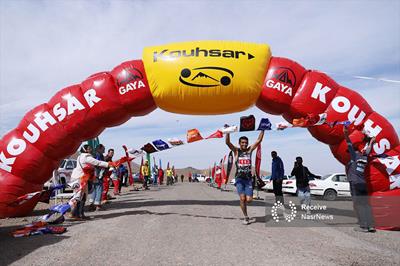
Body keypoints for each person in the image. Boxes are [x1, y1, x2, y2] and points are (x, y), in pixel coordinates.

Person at [226, 131, 264, 225]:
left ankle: (246, 204)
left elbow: (259, 140)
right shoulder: (236, 151)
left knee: (249, 200)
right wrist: (227, 132)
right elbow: (227, 143)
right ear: (239, 143)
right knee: (242, 198)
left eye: (246, 142)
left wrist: (263, 130)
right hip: (239, 179)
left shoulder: (249, 150)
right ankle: (246, 217)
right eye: (242, 142)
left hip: (248, 180)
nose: (244, 144)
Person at [344, 126, 376, 233]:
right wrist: (371, 140)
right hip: (363, 183)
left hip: (355, 183)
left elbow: (348, 143)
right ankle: (371, 225)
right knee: (366, 205)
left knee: (359, 205)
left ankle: (364, 226)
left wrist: (345, 133)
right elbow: (369, 148)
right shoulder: (365, 156)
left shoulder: (354, 156)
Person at [69, 144, 109, 220]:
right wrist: (109, 164)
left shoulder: (80, 156)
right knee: (81, 196)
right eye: (89, 148)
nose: (91, 149)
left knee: (79, 196)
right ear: (86, 150)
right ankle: (78, 214)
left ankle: (76, 213)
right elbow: (98, 162)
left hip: (78, 177)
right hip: (81, 178)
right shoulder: (86, 157)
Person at [88, 144, 106, 211]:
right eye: (103, 148)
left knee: (94, 189)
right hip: (98, 175)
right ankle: (98, 205)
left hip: (94, 175)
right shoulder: (98, 155)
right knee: (99, 189)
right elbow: (98, 164)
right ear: (100, 148)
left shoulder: (94, 155)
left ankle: (91, 204)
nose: (104, 150)